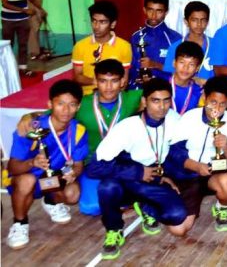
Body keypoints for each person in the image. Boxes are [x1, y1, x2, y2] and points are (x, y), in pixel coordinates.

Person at [86, 78, 187, 260]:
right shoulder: (127, 127)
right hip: (127, 179)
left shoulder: (174, 119)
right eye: (155, 101)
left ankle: (146, 206)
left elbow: (175, 153)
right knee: (107, 187)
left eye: (166, 100)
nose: (162, 107)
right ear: (144, 102)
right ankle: (114, 230)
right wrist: (137, 172)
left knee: (176, 215)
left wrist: (168, 174)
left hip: (153, 177)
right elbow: (94, 168)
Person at [6, 80, 86, 249]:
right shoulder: (30, 127)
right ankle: (20, 223)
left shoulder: (78, 130)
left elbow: (78, 164)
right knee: (27, 181)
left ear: (78, 107)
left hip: (52, 179)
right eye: (60, 104)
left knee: (73, 194)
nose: (66, 110)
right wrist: (32, 162)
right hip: (27, 178)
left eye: (72, 104)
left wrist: (73, 173)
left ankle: (51, 201)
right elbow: (12, 168)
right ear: (50, 104)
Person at [168, 77, 227, 232]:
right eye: (213, 102)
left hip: (213, 175)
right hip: (187, 175)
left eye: (223, 104)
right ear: (204, 98)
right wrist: (195, 166)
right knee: (179, 230)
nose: (217, 108)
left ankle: (222, 207)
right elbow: (174, 151)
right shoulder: (189, 117)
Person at [71, 59, 142, 216]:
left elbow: (160, 93)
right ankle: (123, 201)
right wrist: (29, 118)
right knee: (91, 207)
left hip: (123, 161)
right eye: (103, 81)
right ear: (95, 81)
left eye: (114, 81)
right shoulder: (81, 104)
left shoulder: (133, 98)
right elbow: (54, 115)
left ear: (123, 81)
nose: (109, 87)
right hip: (93, 163)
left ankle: (123, 198)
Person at [72, 0, 132, 95]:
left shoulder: (124, 46)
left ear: (112, 24)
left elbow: (124, 80)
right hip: (87, 96)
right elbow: (77, 77)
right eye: (94, 21)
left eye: (102, 22)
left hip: (113, 97)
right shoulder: (80, 46)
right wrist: (96, 82)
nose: (96, 26)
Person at [129, 0, 182, 87]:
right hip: (140, 90)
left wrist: (155, 65)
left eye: (159, 11)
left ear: (166, 12)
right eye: (150, 10)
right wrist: (138, 78)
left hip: (166, 89)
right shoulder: (136, 37)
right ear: (144, 10)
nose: (154, 16)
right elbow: (132, 67)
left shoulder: (176, 39)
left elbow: (182, 72)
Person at [1, 0, 44, 74]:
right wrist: (23, 10)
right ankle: (7, 70)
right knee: (8, 45)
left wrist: (41, 9)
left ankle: (22, 68)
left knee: (23, 44)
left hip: (23, 20)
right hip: (8, 20)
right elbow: (5, 3)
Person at [163, 1, 214, 86]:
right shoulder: (175, 47)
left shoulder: (216, 45)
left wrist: (206, 83)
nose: (199, 24)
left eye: (203, 20)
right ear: (186, 21)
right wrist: (190, 80)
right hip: (184, 94)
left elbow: (222, 76)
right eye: (194, 20)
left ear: (207, 22)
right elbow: (170, 75)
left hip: (210, 94)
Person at [166, 42, 204, 115]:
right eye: (182, 62)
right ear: (174, 63)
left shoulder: (199, 91)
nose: (186, 68)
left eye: (191, 64)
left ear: (197, 68)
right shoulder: (161, 84)